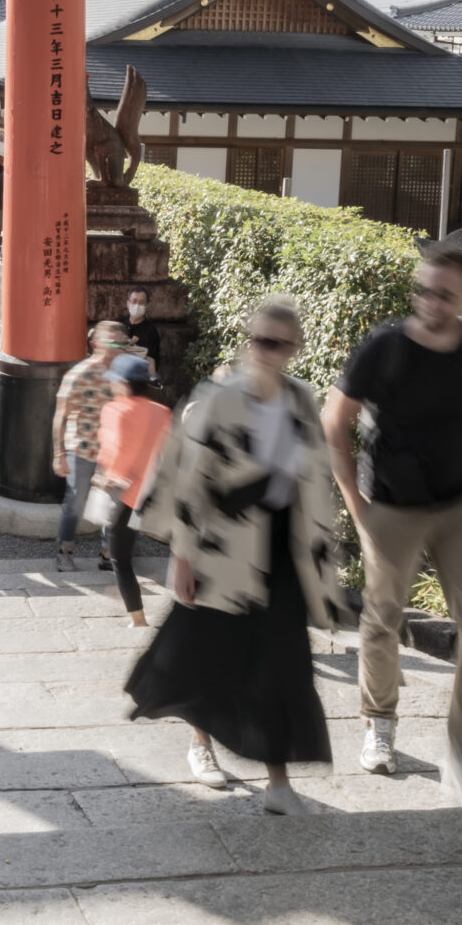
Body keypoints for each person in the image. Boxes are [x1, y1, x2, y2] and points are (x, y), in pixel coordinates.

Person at [126, 296, 346, 814]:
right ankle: (201, 745)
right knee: (208, 653)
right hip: (220, 549)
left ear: (293, 349)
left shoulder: (301, 401)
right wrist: (180, 556)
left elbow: (315, 483)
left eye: (276, 343)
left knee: (284, 665)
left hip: (280, 549)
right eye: (257, 340)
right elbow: (185, 478)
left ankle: (278, 785)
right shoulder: (219, 400)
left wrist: (323, 565)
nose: (263, 351)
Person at [323, 244, 462, 801]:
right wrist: (355, 504)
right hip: (393, 506)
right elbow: (335, 422)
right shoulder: (385, 347)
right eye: (424, 290)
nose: (431, 302)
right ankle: (379, 727)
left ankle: (461, 746)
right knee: (383, 619)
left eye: (445, 294)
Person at [93, 354, 173, 627]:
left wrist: (106, 478)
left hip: (125, 495)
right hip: (156, 494)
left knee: (120, 558)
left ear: (124, 384)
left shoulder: (115, 410)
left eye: (115, 382)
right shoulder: (162, 412)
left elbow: (115, 452)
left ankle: (138, 619)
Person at [50, 321, 136, 573]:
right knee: (76, 500)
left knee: (114, 501)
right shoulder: (80, 374)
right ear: (96, 343)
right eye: (114, 342)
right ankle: (64, 550)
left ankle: (108, 554)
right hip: (83, 447)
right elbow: (60, 415)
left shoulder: (125, 374)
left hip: (114, 450)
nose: (120, 347)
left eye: (123, 342)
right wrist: (59, 454)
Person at [123, 288, 165, 371]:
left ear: (147, 306)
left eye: (141, 302)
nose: (137, 305)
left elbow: (152, 361)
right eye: (134, 301)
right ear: (128, 303)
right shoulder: (119, 324)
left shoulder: (151, 331)